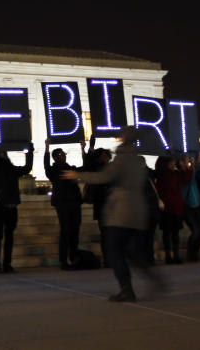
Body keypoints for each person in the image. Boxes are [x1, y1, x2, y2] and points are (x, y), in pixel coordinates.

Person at [62, 127, 162, 302]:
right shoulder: (138, 160)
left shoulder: (122, 159)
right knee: (131, 252)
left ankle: (127, 289)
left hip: (122, 211)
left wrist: (77, 175)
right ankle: (155, 279)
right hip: (138, 210)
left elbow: (104, 177)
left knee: (113, 250)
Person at [0, 138, 34, 273]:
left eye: (4, 152)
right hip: (0, 206)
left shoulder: (11, 169)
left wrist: (29, 152)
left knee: (8, 236)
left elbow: (26, 168)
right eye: (1, 152)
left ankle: (6, 263)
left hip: (11, 206)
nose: (4, 153)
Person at [43, 139, 83, 270]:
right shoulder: (52, 171)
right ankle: (63, 260)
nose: (61, 156)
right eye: (59, 155)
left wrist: (83, 149)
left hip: (75, 202)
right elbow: (46, 165)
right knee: (65, 231)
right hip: (62, 203)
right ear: (54, 158)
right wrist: (47, 148)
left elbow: (86, 167)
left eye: (63, 154)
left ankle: (74, 257)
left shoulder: (70, 168)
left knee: (75, 231)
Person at [82, 135, 112, 267]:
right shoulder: (96, 168)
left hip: (114, 205)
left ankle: (113, 257)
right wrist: (90, 147)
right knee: (106, 234)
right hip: (102, 205)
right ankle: (108, 258)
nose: (106, 158)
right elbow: (88, 163)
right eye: (104, 156)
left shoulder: (112, 168)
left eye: (107, 156)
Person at [154, 155, 189, 264]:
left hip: (175, 206)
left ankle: (175, 255)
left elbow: (186, 178)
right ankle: (169, 255)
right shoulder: (162, 175)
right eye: (171, 162)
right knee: (168, 232)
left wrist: (186, 166)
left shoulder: (175, 174)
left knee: (174, 233)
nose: (173, 164)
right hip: (167, 206)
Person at [181, 153, 200, 262]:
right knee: (196, 231)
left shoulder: (192, 171)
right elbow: (187, 179)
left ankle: (194, 253)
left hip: (196, 203)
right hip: (187, 204)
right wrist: (189, 166)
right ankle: (191, 254)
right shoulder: (181, 172)